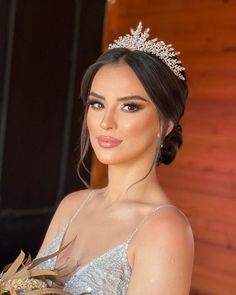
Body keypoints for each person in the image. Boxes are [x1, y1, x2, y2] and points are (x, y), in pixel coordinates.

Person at [36, 22, 194, 294]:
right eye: (97, 104)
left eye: (129, 106)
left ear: (166, 123)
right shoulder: (71, 206)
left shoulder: (165, 229)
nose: (105, 122)